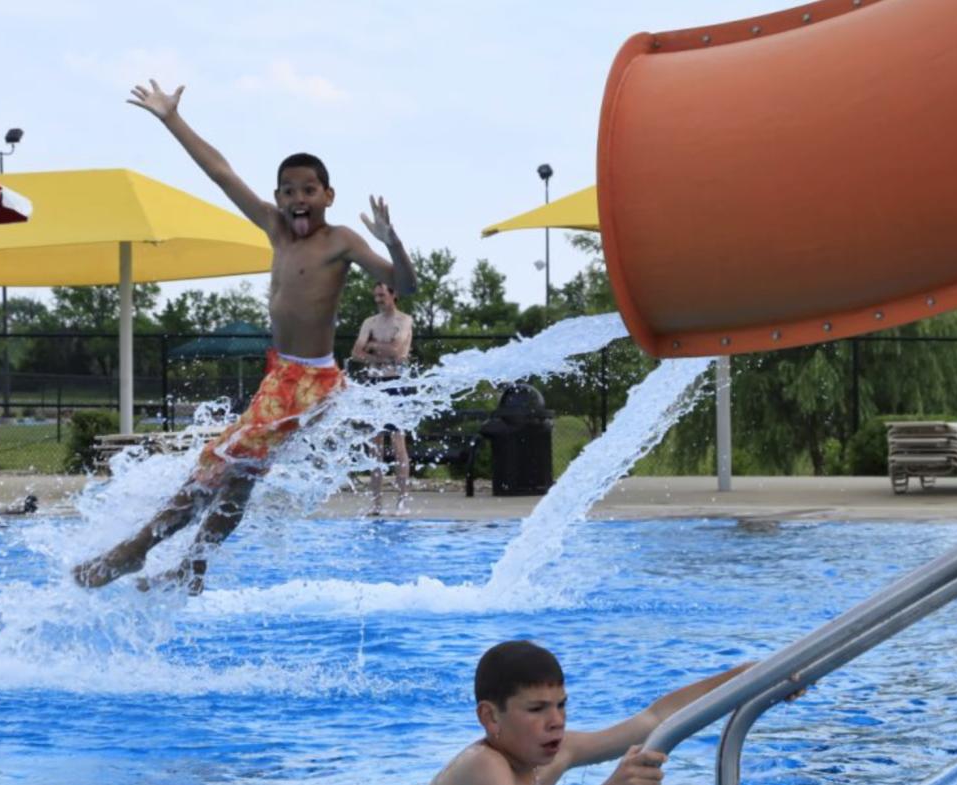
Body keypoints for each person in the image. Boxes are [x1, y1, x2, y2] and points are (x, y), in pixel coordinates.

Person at [72, 80, 417, 595]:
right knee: (239, 477)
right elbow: (221, 173)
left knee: (217, 467)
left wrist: (395, 243)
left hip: (310, 381)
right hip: (282, 375)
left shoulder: (340, 240)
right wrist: (171, 119)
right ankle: (193, 567)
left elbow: (405, 286)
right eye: (288, 191)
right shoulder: (274, 227)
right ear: (279, 197)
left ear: (328, 195)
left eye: (308, 190)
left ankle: (134, 551)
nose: (298, 199)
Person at [431, 640, 752, 785]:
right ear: (490, 717)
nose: (556, 721)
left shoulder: (552, 755)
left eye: (561, 705)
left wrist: (749, 678)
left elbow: (654, 719)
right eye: (536, 709)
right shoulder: (484, 765)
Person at [351, 281, 413, 516]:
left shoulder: (404, 320)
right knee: (375, 448)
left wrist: (373, 346)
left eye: (382, 295)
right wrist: (382, 351)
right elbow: (356, 352)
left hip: (396, 383)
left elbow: (398, 352)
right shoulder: (370, 322)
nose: (378, 299)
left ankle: (402, 502)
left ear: (394, 294)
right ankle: (376, 504)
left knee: (398, 446)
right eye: (375, 295)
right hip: (375, 384)